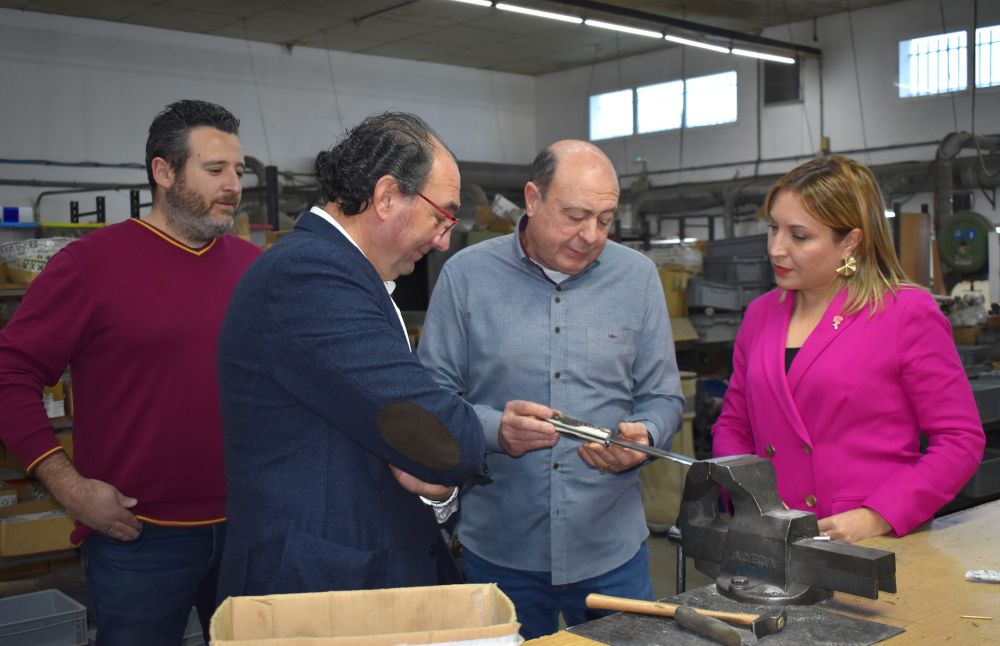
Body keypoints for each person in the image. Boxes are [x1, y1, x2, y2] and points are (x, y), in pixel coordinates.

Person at [0, 99, 261, 645]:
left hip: (250, 530)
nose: (233, 185)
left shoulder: (253, 268)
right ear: (163, 172)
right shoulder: (88, 265)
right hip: (138, 538)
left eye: (238, 170)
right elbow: (10, 372)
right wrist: (67, 487)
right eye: (215, 170)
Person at [417, 140, 684, 639]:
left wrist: (645, 437)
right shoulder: (466, 277)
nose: (590, 236)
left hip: (611, 550)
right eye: (576, 215)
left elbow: (664, 397)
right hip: (499, 550)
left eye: (605, 220)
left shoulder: (638, 279)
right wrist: (497, 430)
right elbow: (431, 401)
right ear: (533, 199)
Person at [215, 112, 487, 600]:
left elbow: (419, 441)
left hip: (357, 573)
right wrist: (469, 437)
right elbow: (447, 436)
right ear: (386, 197)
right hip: (317, 590)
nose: (445, 239)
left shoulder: (351, 277)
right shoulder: (310, 277)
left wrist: (438, 484)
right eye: (441, 216)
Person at [712, 155, 986, 543]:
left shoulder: (904, 313)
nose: (776, 248)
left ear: (851, 242)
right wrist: (743, 498)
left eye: (799, 236)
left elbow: (960, 440)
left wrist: (879, 515)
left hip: (868, 541)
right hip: (769, 536)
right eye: (773, 228)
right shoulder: (760, 315)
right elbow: (734, 424)